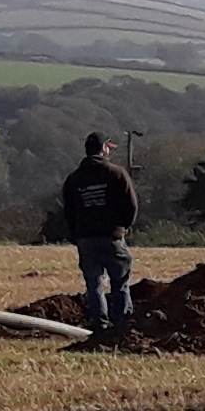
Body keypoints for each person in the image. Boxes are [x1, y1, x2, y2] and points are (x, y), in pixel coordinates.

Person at [60, 130, 141, 329]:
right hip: (112, 237)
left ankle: (99, 324)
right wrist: (124, 226)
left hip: (86, 239)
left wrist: (76, 235)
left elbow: (68, 211)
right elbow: (131, 205)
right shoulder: (117, 173)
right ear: (104, 149)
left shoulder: (74, 179)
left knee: (93, 283)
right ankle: (121, 324)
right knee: (120, 282)